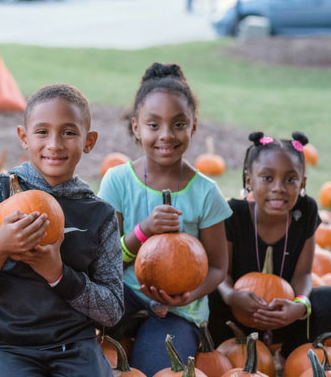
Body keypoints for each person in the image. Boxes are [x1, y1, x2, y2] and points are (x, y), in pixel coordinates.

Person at [0, 84, 124, 376]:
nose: (55, 144)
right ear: (24, 137)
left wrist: (58, 274)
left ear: (89, 140)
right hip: (6, 345)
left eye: (69, 132)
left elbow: (111, 310)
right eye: (42, 132)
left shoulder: (99, 214)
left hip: (74, 345)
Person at [98, 62, 231, 375]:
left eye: (179, 124)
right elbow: (104, 264)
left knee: (160, 369)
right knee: (80, 353)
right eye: (154, 125)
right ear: (136, 127)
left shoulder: (206, 193)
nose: (166, 135)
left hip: (179, 311)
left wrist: (186, 295)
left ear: (193, 127)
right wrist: (143, 231)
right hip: (122, 298)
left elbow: (218, 267)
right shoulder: (117, 182)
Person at [208, 132, 331, 359]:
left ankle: (290, 353)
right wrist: (231, 296)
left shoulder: (305, 212)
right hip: (238, 313)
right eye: (267, 178)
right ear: (249, 179)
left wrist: (299, 305)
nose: (279, 188)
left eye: (290, 179)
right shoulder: (234, 214)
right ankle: (224, 354)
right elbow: (221, 275)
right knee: (210, 297)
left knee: (326, 298)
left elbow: (303, 275)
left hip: (287, 315)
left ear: (302, 182)